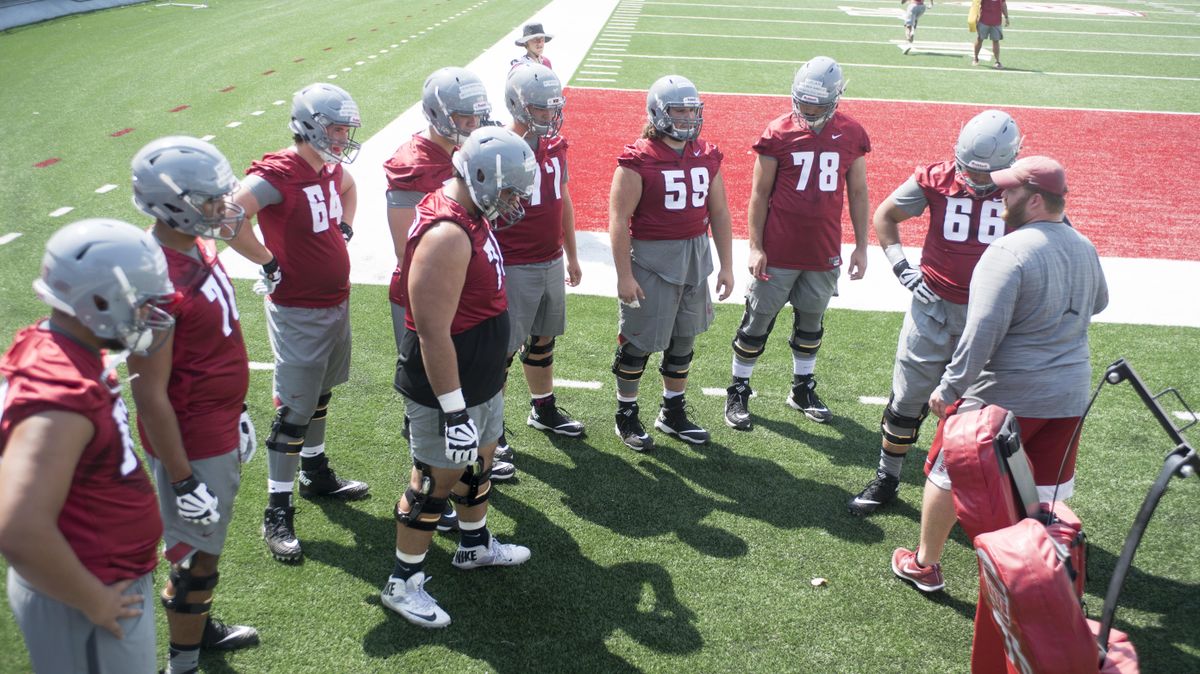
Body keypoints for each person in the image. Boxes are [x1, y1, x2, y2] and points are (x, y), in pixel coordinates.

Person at [892, 156, 1108, 593]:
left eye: (1008, 190)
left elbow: (981, 333)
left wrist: (949, 388)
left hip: (1004, 392)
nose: (999, 196)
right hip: (1068, 393)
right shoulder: (1083, 245)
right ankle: (1042, 580)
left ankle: (924, 564)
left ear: (1033, 200)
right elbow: (1099, 302)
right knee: (1047, 493)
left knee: (947, 470)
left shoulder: (1006, 252)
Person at [0, 218, 175, 674]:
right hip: (83, 593)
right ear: (97, 299)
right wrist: (91, 600)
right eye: (139, 299)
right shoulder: (60, 396)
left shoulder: (65, 344)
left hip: (96, 573)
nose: (148, 312)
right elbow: (18, 528)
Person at [381, 127, 535, 627]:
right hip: (447, 386)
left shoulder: (472, 211)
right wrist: (453, 410)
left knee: (478, 467)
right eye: (510, 188)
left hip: (478, 374)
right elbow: (430, 331)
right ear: (481, 177)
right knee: (434, 483)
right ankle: (402, 583)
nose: (516, 200)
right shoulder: (447, 233)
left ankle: (474, 545)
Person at [127, 136, 261, 673]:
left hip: (216, 419)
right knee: (196, 558)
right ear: (173, 204)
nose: (222, 207)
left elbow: (214, 345)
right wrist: (182, 479)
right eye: (209, 199)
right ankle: (182, 661)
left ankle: (198, 629)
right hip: (190, 435)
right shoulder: (153, 281)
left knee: (204, 547)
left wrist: (238, 407)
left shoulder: (193, 243)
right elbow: (148, 391)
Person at [848, 110, 1021, 517]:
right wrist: (901, 268)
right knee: (906, 401)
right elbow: (886, 215)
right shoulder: (937, 178)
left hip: (992, 318)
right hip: (933, 308)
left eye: (986, 175)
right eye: (968, 171)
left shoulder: (1025, 189)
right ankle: (888, 477)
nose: (976, 182)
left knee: (989, 414)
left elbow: (1053, 238)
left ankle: (991, 494)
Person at [228, 82, 369, 564]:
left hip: (333, 301)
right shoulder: (280, 172)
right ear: (308, 124)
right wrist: (266, 260)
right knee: (293, 412)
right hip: (299, 310)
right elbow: (228, 216)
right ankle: (277, 509)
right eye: (335, 128)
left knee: (319, 396)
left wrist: (344, 225)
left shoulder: (327, 168)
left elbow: (350, 186)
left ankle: (315, 471)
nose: (342, 137)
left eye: (345, 128)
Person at [384, 67, 514, 531]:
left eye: (476, 115)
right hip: (432, 301)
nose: (470, 124)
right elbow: (413, 255)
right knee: (434, 408)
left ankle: (466, 501)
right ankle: (433, 479)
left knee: (471, 423)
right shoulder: (412, 162)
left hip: (469, 295)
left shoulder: (474, 153)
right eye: (461, 116)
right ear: (437, 114)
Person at [723, 56, 870, 431]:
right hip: (779, 249)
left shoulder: (851, 133)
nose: (808, 110)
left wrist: (862, 246)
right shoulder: (778, 132)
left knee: (811, 322)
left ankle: (801, 388)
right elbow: (759, 195)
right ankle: (738, 389)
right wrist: (755, 246)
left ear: (837, 98)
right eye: (804, 102)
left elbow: (857, 192)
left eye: (817, 104)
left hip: (822, 249)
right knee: (756, 321)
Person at [609, 74, 734, 451]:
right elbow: (617, 220)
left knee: (683, 342)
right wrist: (624, 275)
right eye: (678, 110)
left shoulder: (706, 154)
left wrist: (727, 265)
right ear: (658, 112)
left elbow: (721, 212)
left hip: (695, 256)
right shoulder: (638, 159)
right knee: (638, 343)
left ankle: (672, 411)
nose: (687, 118)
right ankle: (626, 414)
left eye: (692, 110)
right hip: (651, 260)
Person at [498, 63, 585, 445]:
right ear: (517, 105)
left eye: (553, 107)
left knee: (543, 340)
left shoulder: (555, 145)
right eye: (540, 108)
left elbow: (561, 198)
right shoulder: (497, 148)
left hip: (549, 257)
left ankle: (542, 407)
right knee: (500, 351)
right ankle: (491, 429)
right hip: (513, 261)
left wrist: (572, 254)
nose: (550, 115)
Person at [974, 0, 1009, 69]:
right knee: (980, 39)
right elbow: (976, 4)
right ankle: (976, 58)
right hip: (983, 20)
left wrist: (1006, 17)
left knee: (996, 41)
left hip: (996, 21)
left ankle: (997, 61)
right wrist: (974, 17)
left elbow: (1003, 4)